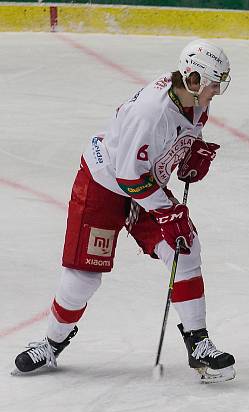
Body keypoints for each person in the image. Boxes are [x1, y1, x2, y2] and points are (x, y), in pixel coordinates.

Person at [12, 40, 236, 383]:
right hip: (104, 184)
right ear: (192, 78)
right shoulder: (150, 113)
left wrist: (191, 154)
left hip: (144, 183)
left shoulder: (191, 98)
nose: (216, 92)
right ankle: (51, 343)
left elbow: (178, 138)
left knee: (185, 249)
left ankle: (199, 343)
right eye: (212, 84)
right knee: (82, 279)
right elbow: (129, 177)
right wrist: (166, 212)